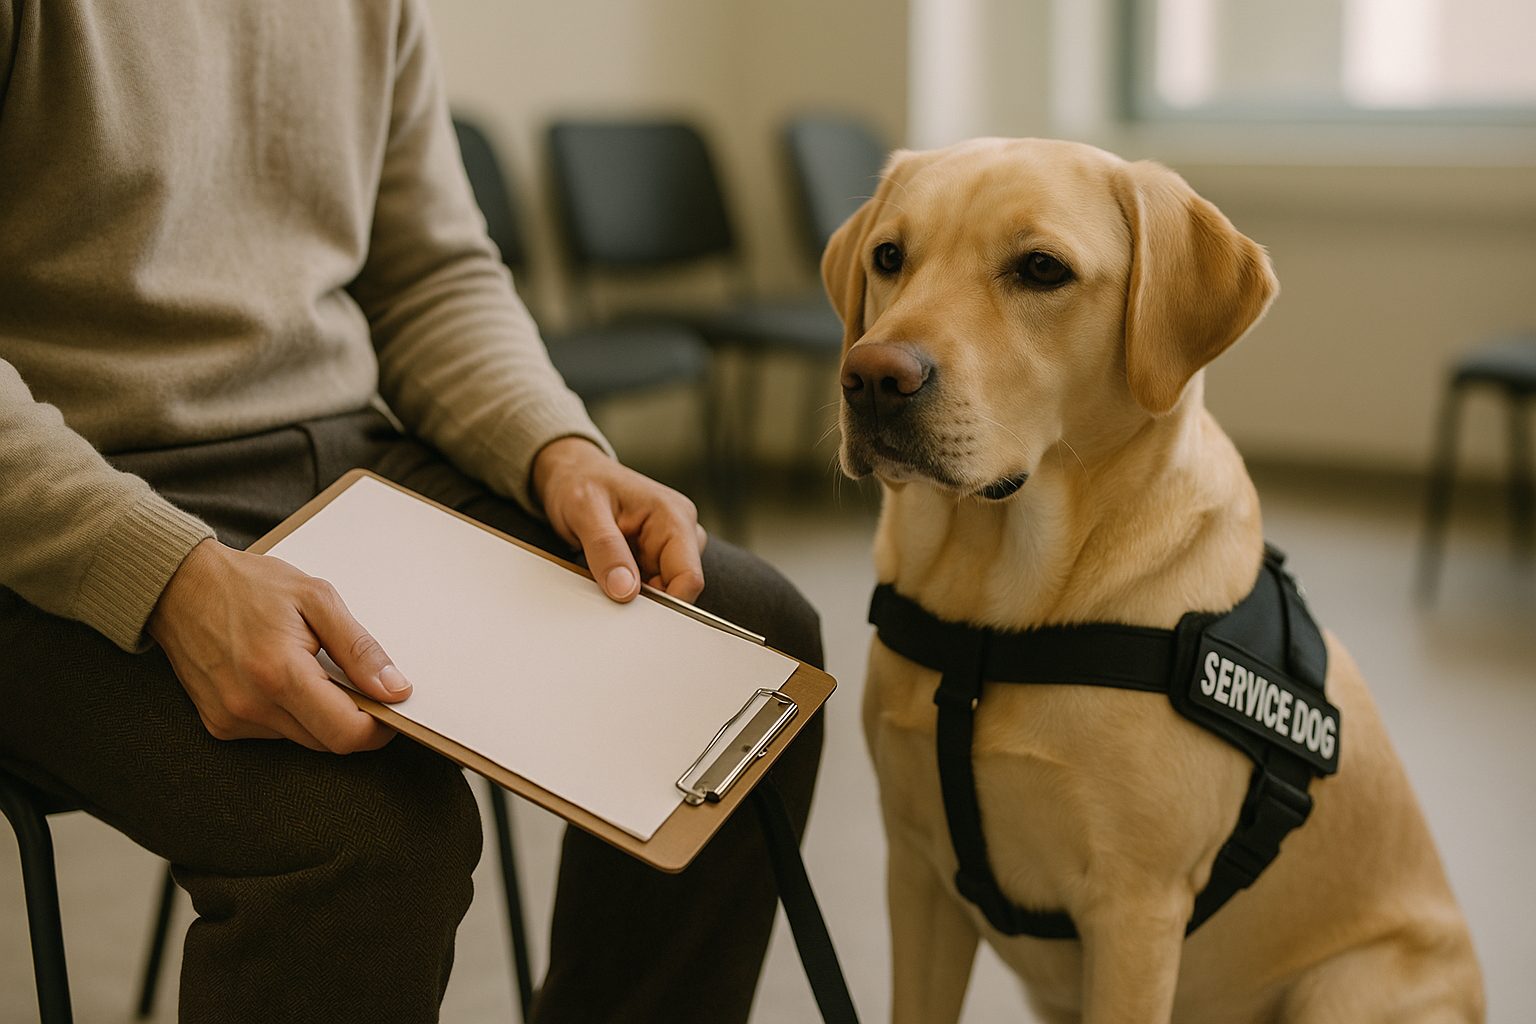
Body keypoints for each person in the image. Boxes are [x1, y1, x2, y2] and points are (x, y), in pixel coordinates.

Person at [0, 2, 824, 1021]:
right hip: (55, 501)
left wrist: (555, 449)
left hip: (344, 458)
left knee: (747, 651)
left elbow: (431, 274)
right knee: (370, 831)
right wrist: (166, 575)